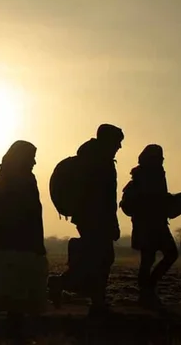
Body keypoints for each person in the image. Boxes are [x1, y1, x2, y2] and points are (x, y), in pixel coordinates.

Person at [48, 124, 124, 316]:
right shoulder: (99, 162)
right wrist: (111, 222)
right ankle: (94, 301)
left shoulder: (92, 158)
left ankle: (73, 289)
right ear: (109, 141)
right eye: (118, 142)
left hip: (89, 218)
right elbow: (104, 197)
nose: (120, 147)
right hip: (96, 219)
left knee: (96, 260)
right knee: (102, 259)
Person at [0, 141, 47, 342]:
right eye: (31, 157)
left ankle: (9, 330)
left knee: (16, 295)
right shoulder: (16, 180)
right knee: (14, 295)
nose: (34, 161)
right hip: (14, 244)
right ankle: (1, 326)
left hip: (17, 244)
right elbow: (13, 215)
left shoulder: (11, 178)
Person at [120, 144, 178, 308]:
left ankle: (147, 291)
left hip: (154, 223)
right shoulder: (147, 176)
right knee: (158, 257)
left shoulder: (153, 175)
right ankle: (147, 292)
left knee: (153, 258)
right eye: (159, 157)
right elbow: (144, 200)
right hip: (148, 224)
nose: (162, 160)